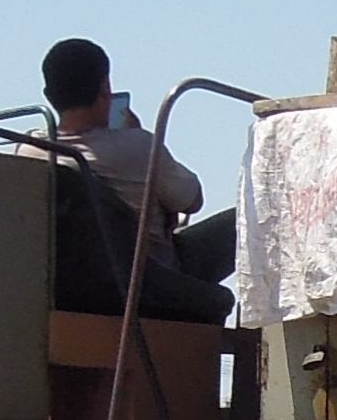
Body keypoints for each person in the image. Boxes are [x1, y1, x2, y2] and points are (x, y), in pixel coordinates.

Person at [43, 38, 230, 320]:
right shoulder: (136, 147)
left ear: (49, 95)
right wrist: (139, 138)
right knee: (248, 221)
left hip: (74, 287)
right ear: (105, 88)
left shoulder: (29, 151)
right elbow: (192, 200)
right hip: (145, 279)